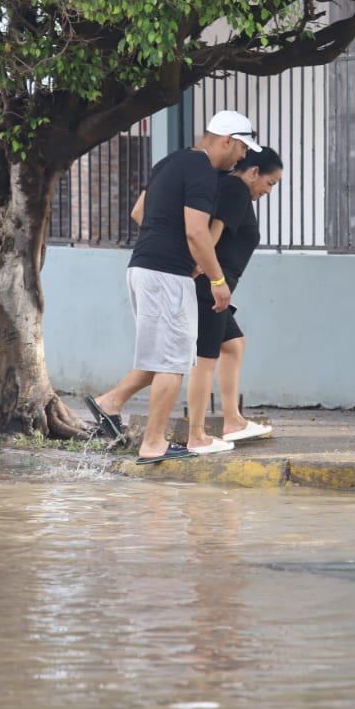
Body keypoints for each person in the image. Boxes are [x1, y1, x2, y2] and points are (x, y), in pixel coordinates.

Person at [85, 110, 260, 464]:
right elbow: (197, 232)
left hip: (143, 268)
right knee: (172, 363)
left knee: (160, 355)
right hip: (168, 275)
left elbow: (139, 212)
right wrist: (217, 280)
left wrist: (164, 239)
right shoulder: (203, 173)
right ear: (226, 140)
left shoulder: (171, 162)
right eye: (242, 147)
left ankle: (110, 403)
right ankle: (153, 444)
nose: (243, 156)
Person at [185, 147, 282, 449]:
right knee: (205, 359)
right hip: (212, 287)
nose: (268, 191)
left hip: (215, 286)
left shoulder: (230, 189)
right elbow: (210, 234)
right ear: (254, 172)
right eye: (270, 183)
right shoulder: (236, 190)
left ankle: (232, 420)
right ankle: (197, 435)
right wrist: (205, 271)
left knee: (234, 345)